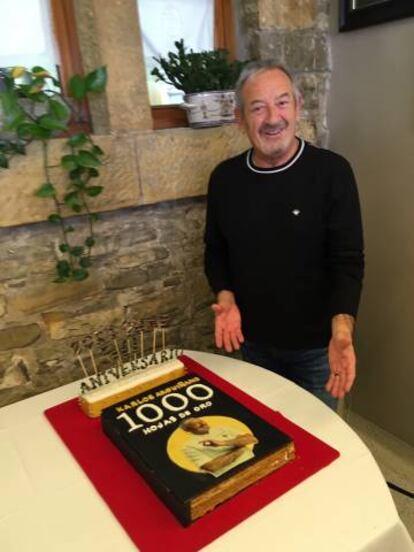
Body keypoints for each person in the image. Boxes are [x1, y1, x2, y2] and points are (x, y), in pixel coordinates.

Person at [204, 60, 364, 410]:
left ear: (297, 106)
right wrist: (226, 298)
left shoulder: (332, 172)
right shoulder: (225, 179)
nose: (272, 118)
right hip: (255, 345)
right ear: (240, 118)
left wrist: (341, 330)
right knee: (266, 440)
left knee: (320, 448)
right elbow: (215, 251)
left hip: (318, 350)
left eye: (281, 102)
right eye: (258, 108)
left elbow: (347, 261)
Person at [180, 417, 257, 477]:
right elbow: (212, 467)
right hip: (230, 475)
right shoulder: (189, 446)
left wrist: (224, 443)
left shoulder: (222, 428)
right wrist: (237, 451)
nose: (203, 423)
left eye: (201, 421)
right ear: (188, 429)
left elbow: (252, 439)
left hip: (254, 462)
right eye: (196, 423)